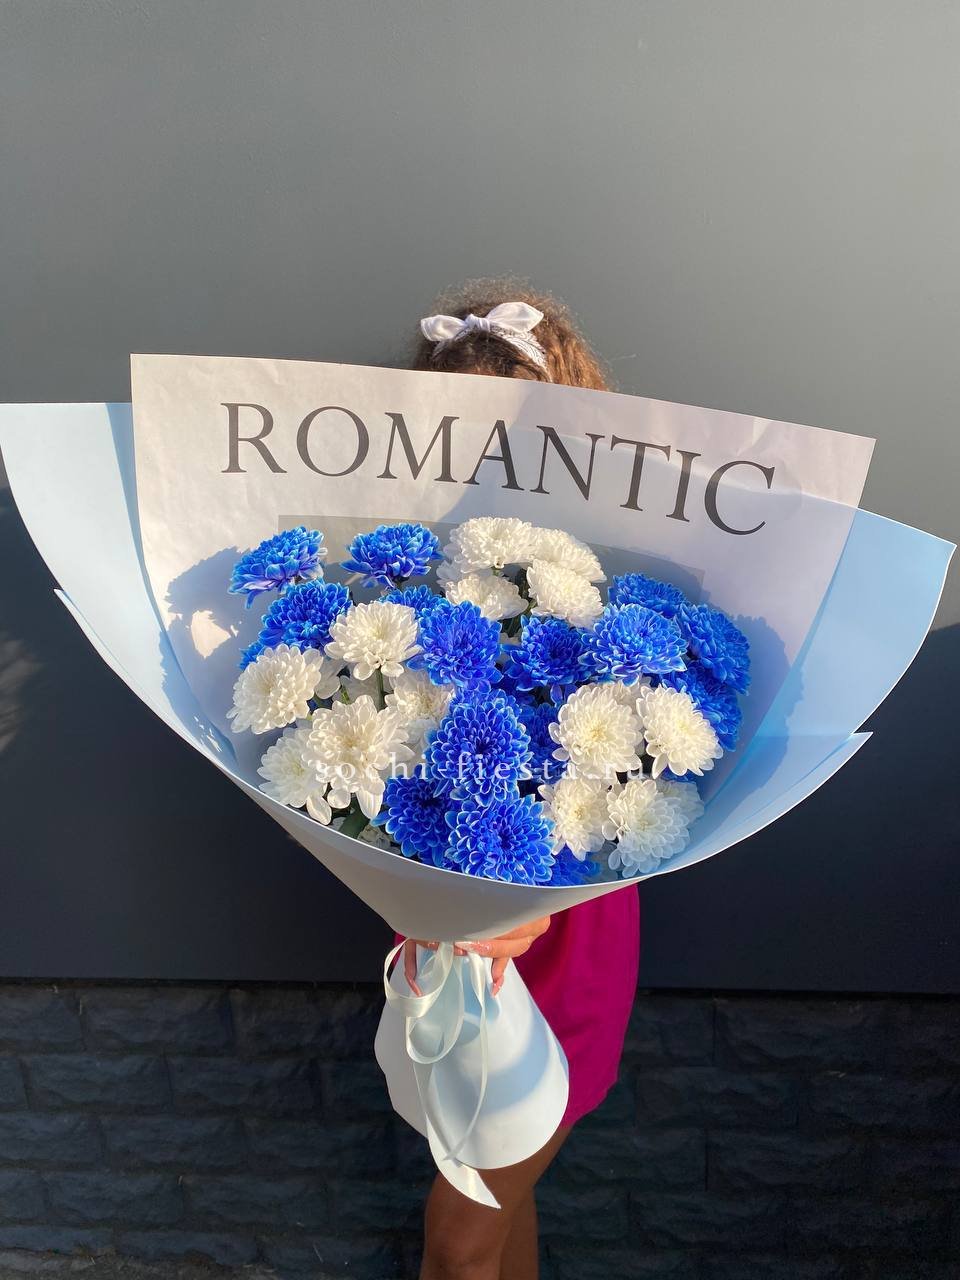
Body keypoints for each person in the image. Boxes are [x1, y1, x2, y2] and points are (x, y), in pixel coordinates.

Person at [394, 277, 642, 1280]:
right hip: (448, 917)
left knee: (460, 1237)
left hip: (567, 923)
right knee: (501, 1203)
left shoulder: (610, 582)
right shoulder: (411, 577)